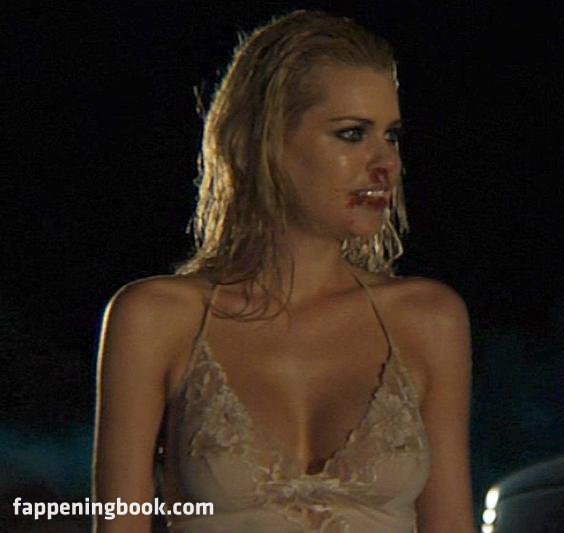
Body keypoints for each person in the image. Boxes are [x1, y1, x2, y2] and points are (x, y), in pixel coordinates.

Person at [92, 10, 474, 532]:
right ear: (261, 142)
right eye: (352, 134)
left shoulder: (428, 319)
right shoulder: (157, 318)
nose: (387, 164)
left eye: (392, 136)